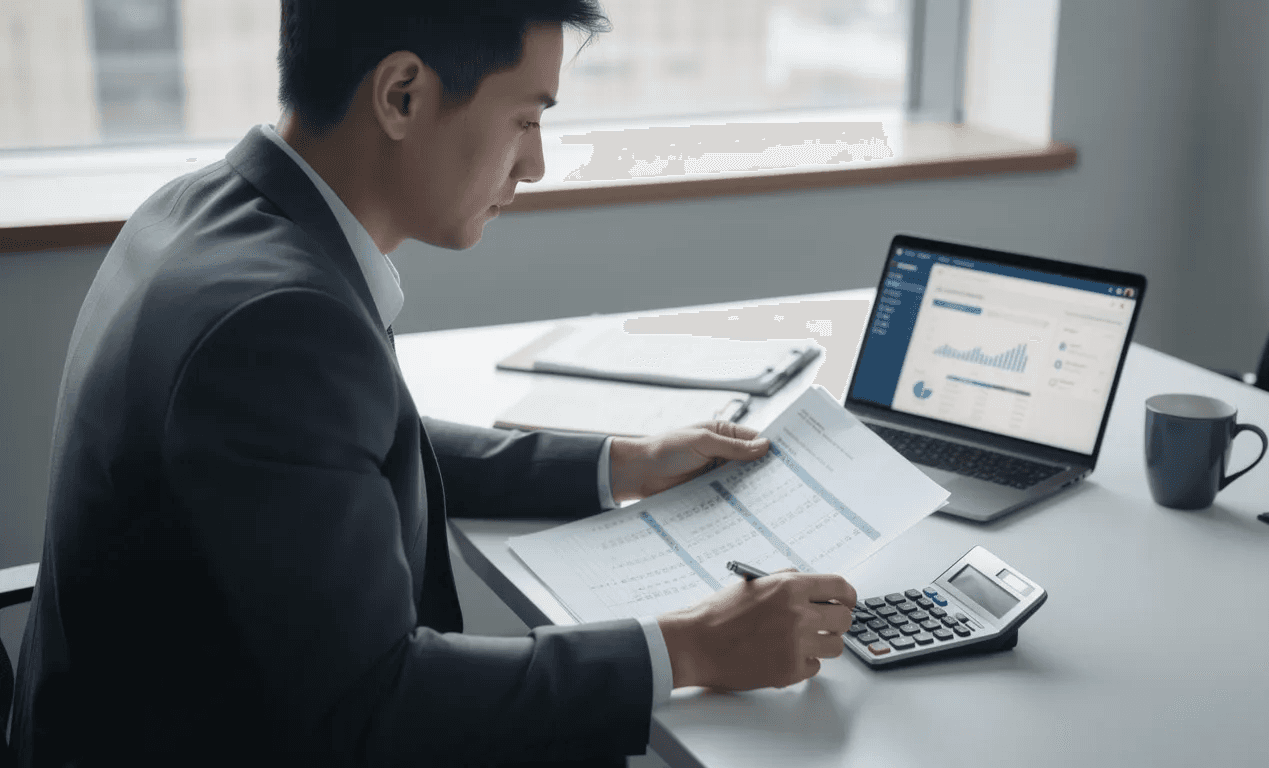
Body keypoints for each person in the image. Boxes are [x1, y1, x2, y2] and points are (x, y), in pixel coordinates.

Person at [10, 1, 858, 766]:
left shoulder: (205, 210)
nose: (536, 163)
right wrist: (694, 647)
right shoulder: (280, 323)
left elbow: (340, 447)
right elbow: (373, 707)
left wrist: (619, 463)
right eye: (525, 118)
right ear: (402, 95)